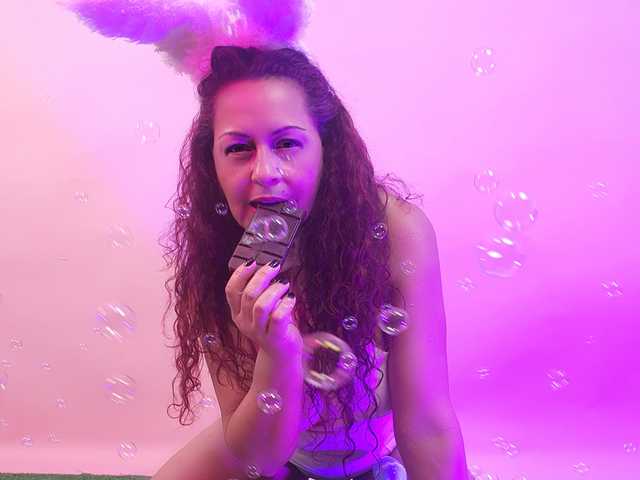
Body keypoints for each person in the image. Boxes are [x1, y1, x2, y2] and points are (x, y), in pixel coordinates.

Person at [153, 45, 469, 480]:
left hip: (372, 450)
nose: (265, 172)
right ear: (212, 165)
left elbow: (427, 423)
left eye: (287, 143)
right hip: (271, 448)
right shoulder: (212, 256)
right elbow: (258, 460)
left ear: (326, 149)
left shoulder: (395, 231)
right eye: (239, 148)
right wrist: (277, 353)